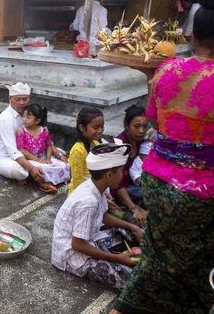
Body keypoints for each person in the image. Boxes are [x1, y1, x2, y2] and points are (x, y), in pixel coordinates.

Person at [96, 0, 214, 314]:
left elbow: (156, 121)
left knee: (156, 252)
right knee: (203, 264)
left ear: (196, 30)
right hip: (206, 193)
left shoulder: (167, 70)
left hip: (158, 180)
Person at [52, 143, 143, 291]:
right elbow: (77, 245)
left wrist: (132, 227)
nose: (122, 175)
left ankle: (120, 254)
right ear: (109, 175)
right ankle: (118, 260)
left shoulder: (95, 187)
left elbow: (103, 217)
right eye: (120, 171)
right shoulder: (89, 201)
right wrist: (116, 259)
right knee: (132, 283)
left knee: (126, 232)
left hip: (87, 239)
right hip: (72, 257)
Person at [0, 82, 54, 184]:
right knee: (22, 172)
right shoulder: (5, 119)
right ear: (10, 99)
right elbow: (12, 151)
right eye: (17, 99)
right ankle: (35, 173)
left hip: (26, 151)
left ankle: (37, 172)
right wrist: (32, 167)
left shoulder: (30, 114)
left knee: (56, 154)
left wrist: (58, 155)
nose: (22, 103)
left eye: (25, 99)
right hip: (3, 156)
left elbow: (45, 138)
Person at [16, 103, 70, 194]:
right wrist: (38, 161)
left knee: (65, 165)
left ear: (37, 121)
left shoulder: (44, 130)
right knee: (39, 168)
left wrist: (48, 159)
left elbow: (49, 145)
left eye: (28, 118)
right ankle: (44, 183)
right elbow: (22, 150)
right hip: (29, 160)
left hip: (43, 157)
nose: (24, 119)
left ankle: (45, 178)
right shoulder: (21, 131)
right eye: (23, 116)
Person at [112, 105, 148, 226]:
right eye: (137, 126)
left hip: (135, 186)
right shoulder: (119, 147)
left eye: (145, 126)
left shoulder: (142, 143)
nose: (141, 130)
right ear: (127, 125)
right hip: (121, 191)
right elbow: (117, 184)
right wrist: (134, 208)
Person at [68, 107, 104, 195]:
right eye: (95, 127)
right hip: (83, 194)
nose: (100, 130)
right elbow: (78, 183)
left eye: (102, 126)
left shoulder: (96, 143)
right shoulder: (78, 151)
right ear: (82, 127)